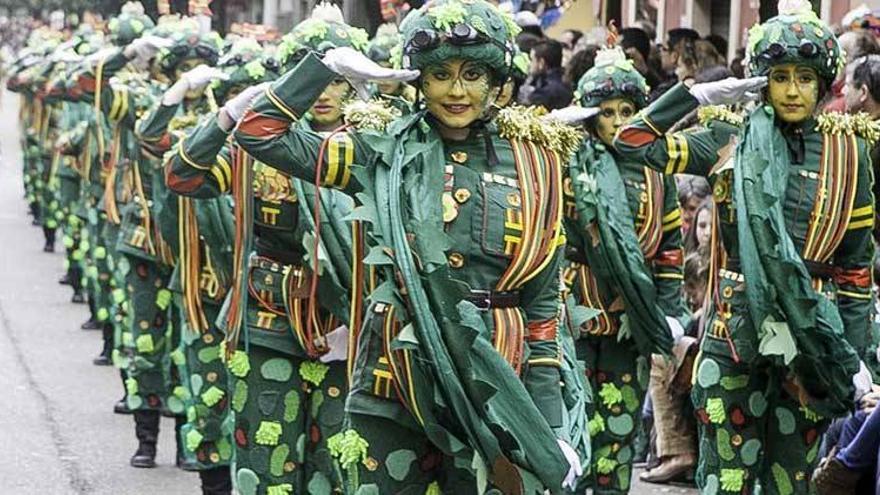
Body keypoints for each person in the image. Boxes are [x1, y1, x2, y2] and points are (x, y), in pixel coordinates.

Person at [230, 0, 587, 491]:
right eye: (440, 74)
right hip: (395, 379)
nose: (457, 90)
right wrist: (322, 69)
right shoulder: (381, 150)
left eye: (472, 74)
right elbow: (258, 132)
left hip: (494, 385)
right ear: (418, 80)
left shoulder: (536, 163)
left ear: (496, 82)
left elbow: (544, 304)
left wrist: (547, 422)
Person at [614, 0, 875, 491]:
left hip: (813, 338)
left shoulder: (850, 154)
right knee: (726, 478)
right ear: (762, 80)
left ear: (823, 83)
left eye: (804, 77)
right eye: (780, 77)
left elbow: (856, 271)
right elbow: (631, 141)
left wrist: (856, 357)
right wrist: (692, 95)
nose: (793, 90)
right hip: (735, 333)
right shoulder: (727, 137)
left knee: (790, 480)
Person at [166, 6, 361, 493]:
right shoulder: (254, 149)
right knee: (266, 463)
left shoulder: (372, 149)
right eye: (311, 76)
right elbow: (183, 176)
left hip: (347, 326)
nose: (324, 92)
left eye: (339, 80)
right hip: (268, 322)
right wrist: (228, 117)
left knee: (333, 469)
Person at [550, 45, 688, 494]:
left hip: (629, 323)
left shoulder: (655, 171)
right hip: (572, 315)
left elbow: (669, 251)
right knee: (571, 427)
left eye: (626, 110)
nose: (616, 121)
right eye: (605, 112)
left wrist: (666, 312)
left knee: (619, 427)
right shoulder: (566, 163)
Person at [519, 38, 573, 110]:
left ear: (541, 63)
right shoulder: (568, 82)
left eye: (532, 60)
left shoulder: (543, 93)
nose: (529, 64)